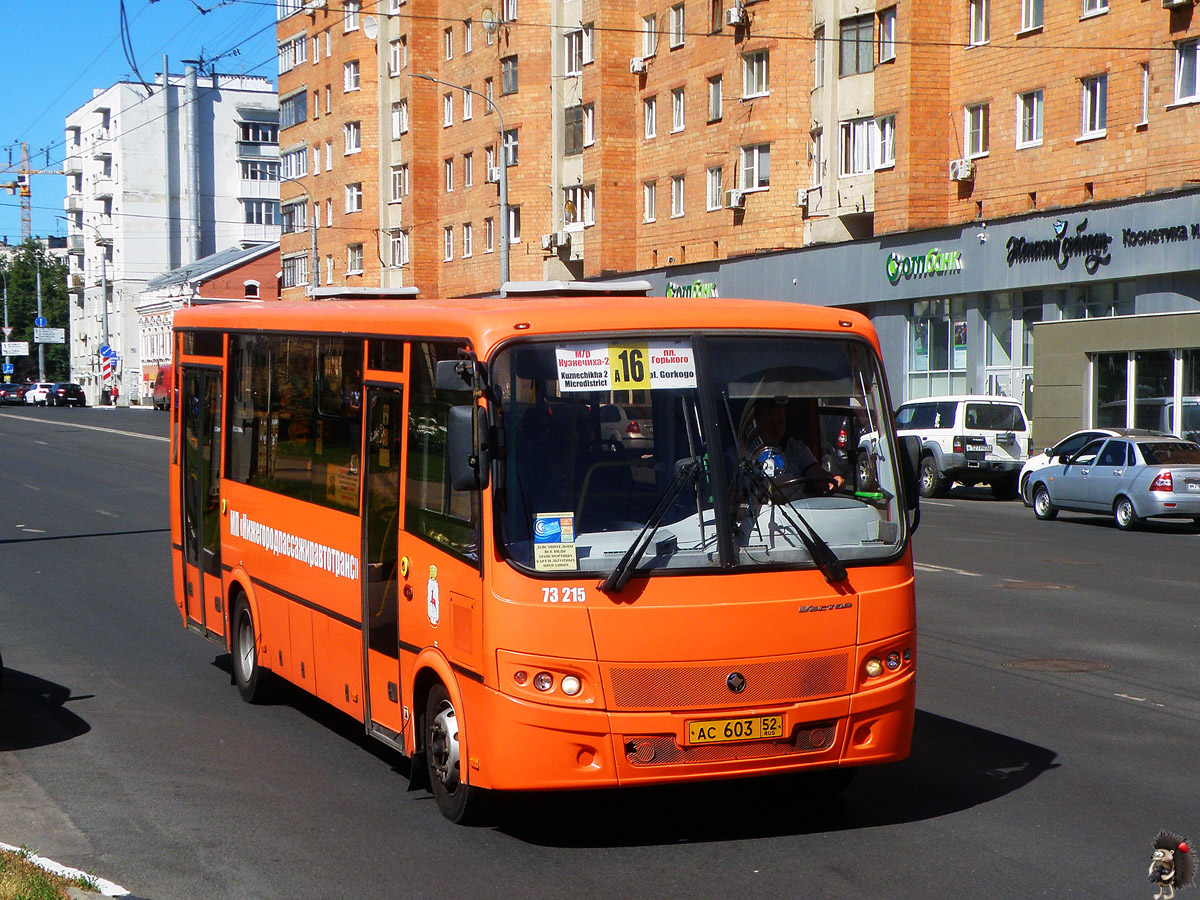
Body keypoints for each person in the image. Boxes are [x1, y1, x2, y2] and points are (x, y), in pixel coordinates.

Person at [747, 397, 845, 493]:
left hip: (795, 507)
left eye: (780, 421)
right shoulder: (745, 451)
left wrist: (831, 480)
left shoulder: (796, 448)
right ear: (758, 422)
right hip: (760, 507)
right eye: (770, 422)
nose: (776, 427)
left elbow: (815, 471)